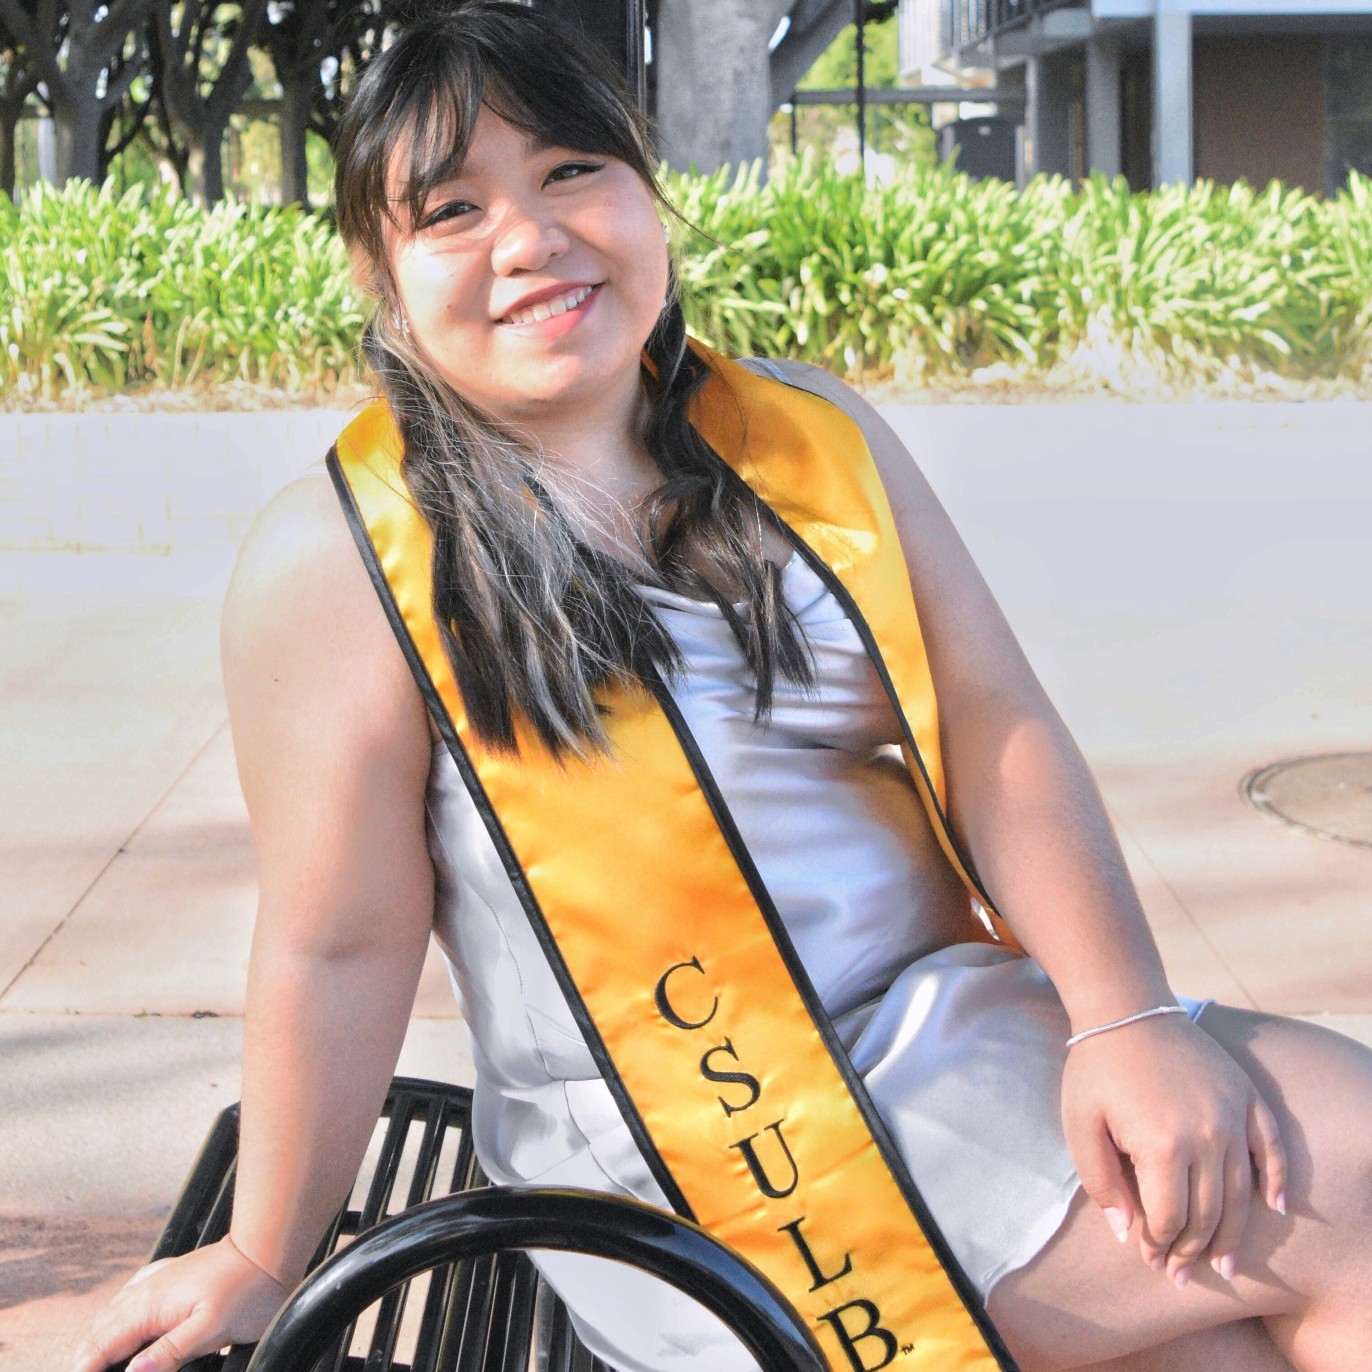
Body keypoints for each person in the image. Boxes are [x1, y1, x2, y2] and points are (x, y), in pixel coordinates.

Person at [72, 6, 1372, 1372]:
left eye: (573, 169)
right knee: (1343, 1171)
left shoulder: (808, 442)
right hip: (690, 1157)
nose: (530, 238)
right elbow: (337, 942)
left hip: (947, 1039)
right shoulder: (347, 559)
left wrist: (1126, 1019)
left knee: (1215, 1342)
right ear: (382, 274)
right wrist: (269, 1254)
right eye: (452, 209)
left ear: (649, 190)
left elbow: (999, 726)